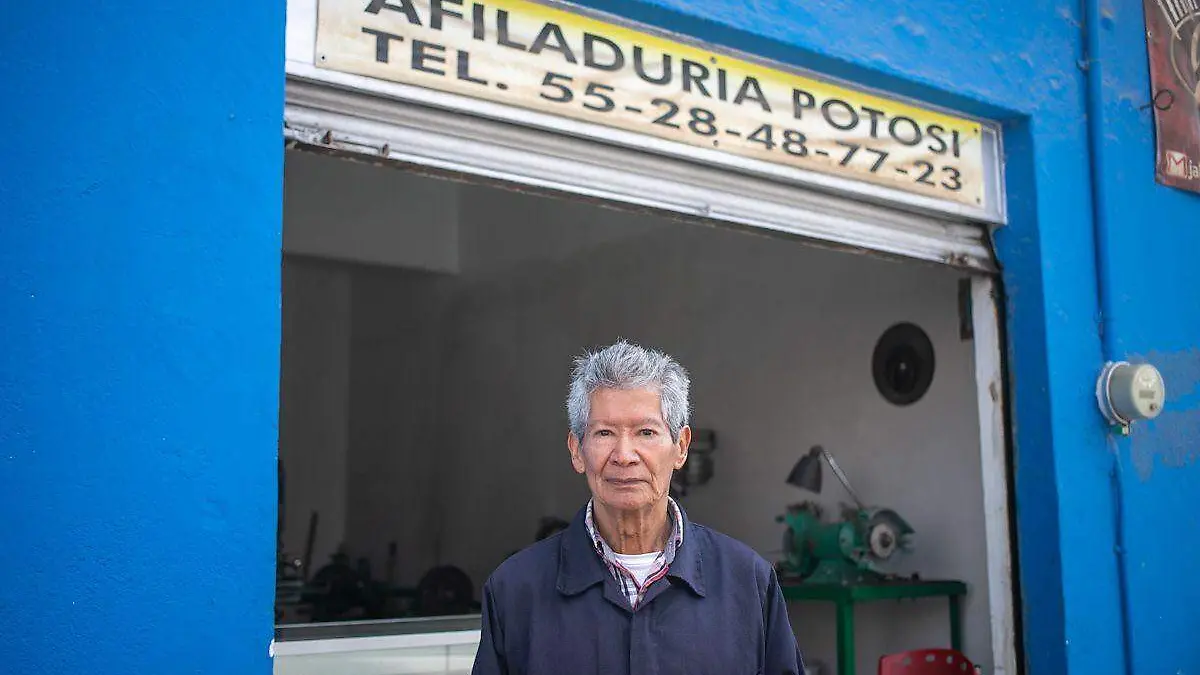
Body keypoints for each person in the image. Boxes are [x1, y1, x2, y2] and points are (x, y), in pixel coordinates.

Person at [471, 340, 805, 675]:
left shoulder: (747, 581)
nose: (624, 455)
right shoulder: (515, 590)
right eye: (604, 433)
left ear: (681, 447)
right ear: (577, 451)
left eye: (646, 432)